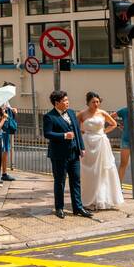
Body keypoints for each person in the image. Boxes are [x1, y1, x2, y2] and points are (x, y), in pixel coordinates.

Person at [43, 90, 91, 219]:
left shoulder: (70, 112)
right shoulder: (49, 116)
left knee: (76, 180)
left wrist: (81, 147)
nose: (67, 102)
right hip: (59, 155)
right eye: (64, 100)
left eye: (67, 100)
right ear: (57, 102)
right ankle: (59, 208)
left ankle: (78, 207)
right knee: (60, 182)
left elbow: (76, 130)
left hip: (74, 153)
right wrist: (64, 135)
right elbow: (47, 133)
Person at [77, 92, 124, 210]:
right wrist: (82, 133)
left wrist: (103, 132)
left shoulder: (102, 113)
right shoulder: (82, 114)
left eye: (98, 101)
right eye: (93, 102)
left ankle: (102, 198)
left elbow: (113, 124)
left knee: (103, 170)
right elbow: (75, 127)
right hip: (87, 142)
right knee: (89, 171)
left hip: (101, 142)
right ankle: (89, 199)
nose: (96, 104)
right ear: (88, 102)